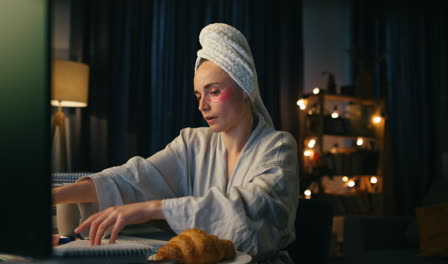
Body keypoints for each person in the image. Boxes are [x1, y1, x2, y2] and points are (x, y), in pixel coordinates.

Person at [53, 23, 299, 263]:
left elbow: (249, 215)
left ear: (246, 90)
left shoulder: (277, 147)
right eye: (198, 95)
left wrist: (148, 209)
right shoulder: (193, 142)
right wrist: (53, 195)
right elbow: (133, 177)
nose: (202, 106)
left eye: (214, 92)